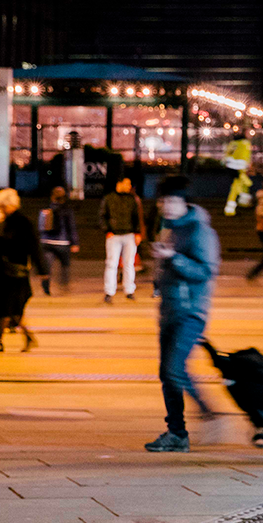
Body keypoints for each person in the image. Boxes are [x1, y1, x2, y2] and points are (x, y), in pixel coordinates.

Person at [145, 173, 223, 452]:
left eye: (173, 201)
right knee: (167, 375)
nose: (167, 206)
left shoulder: (201, 230)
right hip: (169, 311)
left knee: (175, 369)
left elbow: (206, 272)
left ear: (185, 202)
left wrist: (172, 259)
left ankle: (209, 413)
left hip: (191, 312)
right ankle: (176, 433)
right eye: (163, 201)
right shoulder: (172, 228)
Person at [0, 189, 38, 352]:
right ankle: (26, 336)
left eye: (0, 206)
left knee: (9, 309)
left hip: (14, 273)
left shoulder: (20, 222)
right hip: (3, 273)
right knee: (11, 311)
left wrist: (41, 268)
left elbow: (31, 245)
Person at [101, 175, 144, 303]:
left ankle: (129, 290)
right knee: (111, 264)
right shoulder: (109, 198)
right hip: (114, 235)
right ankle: (109, 291)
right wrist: (107, 230)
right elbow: (102, 216)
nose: (130, 186)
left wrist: (137, 233)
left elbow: (136, 217)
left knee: (129, 263)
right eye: (127, 183)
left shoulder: (131, 199)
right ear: (119, 184)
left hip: (129, 234)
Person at [37, 186, 79, 295]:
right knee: (65, 265)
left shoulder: (46, 208)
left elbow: (40, 225)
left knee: (47, 265)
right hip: (62, 242)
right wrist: (74, 242)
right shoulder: (67, 210)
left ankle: (46, 286)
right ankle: (64, 284)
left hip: (46, 241)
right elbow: (71, 227)